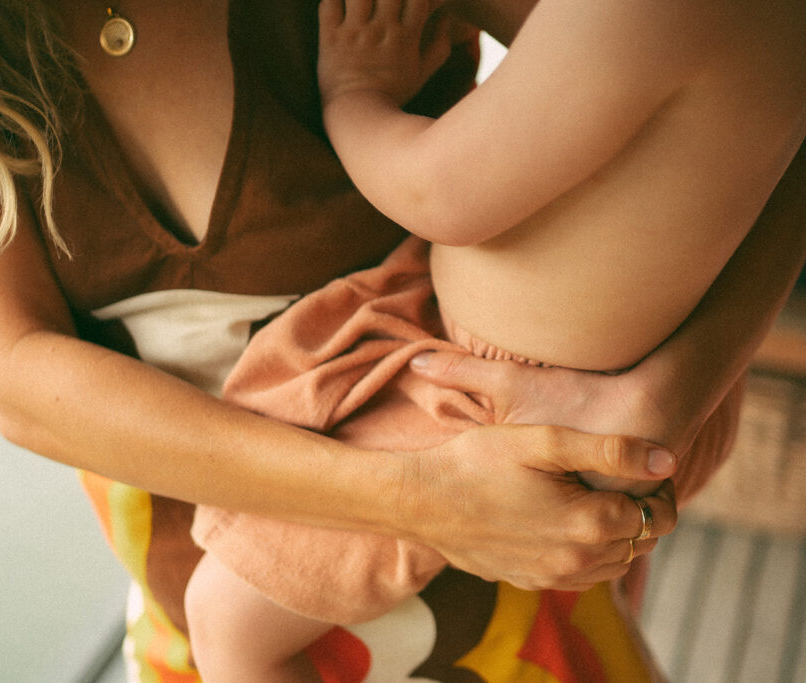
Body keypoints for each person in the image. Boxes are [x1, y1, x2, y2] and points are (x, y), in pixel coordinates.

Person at [0, 0, 804, 678]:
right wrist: (423, 499)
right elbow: (17, 380)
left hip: (510, 592)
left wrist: (669, 390)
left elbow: (751, 79)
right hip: (198, 599)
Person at [183, 0, 806, 679]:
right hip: (664, 380)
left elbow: (436, 192)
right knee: (596, 586)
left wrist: (354, 91)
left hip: (505, 410)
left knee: (225, 623)